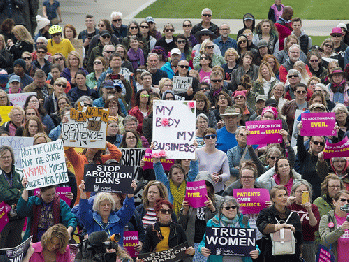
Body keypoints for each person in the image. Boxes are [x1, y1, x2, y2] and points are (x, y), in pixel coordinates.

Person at [199, 196, 260, 261]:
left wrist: (256, 251)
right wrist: (201, 248)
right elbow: (204, 241)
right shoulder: (212, 222)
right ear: (221, 210)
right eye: (227, 208)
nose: (231, 209)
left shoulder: (244, 221)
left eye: (233, 207)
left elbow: (250, 242)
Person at [17, 177, 77, 242]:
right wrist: (25, 189)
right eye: (48, 195)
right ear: (41, 192)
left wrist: (69, 230)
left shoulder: (60, 203)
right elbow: (21, 211)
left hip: (54, 241)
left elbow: (71, 218)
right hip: (34, 240)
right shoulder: (33, 201)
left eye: (53, 193)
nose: (51, 197)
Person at [78, 180, 136, 245]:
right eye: (103, 205)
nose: (106, 207)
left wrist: (131, 192)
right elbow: (83, 212)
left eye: (108, 205)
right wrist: (82, 192)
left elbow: (129, 209)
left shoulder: (118, 219)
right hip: (95, 254)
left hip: (116, 253)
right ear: (97, 206)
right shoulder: (91, 220)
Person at [257, 185, 302, 262]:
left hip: (291, 256)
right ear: (273, 199)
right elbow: (263, 228)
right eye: (280, 196)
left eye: (285, 195)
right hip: (271, 255)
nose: (284, 198)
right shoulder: (265, 213)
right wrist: (283, 226)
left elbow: (299, 237)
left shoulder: (294, 215)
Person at [288, 180, 320, 262]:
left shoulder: (313, 207)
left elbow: (314, 225)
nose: (301, 194)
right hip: (290, 242)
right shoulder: (289, 206)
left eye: (304, 192)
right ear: (294, 193)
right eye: (299, 191)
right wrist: (285, 204)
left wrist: (309, 210)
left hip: (308, 242)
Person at [0, 146, 25, 249]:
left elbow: (25, 192)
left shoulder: (20, 173)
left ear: (12, 158)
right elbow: (3, 194)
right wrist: (17, 191)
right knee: (2, 246)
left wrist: (18, 193)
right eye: (3, 157)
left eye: (8, 157)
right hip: (2, 216)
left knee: (15, 247)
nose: (6, 159)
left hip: (18, 217)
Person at [319, 190, 349, 262]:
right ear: (334, 202)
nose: (346, 203)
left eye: (348, 201)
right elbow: (325, 240)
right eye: (343, 200)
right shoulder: (327, 218)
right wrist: (341, 229)